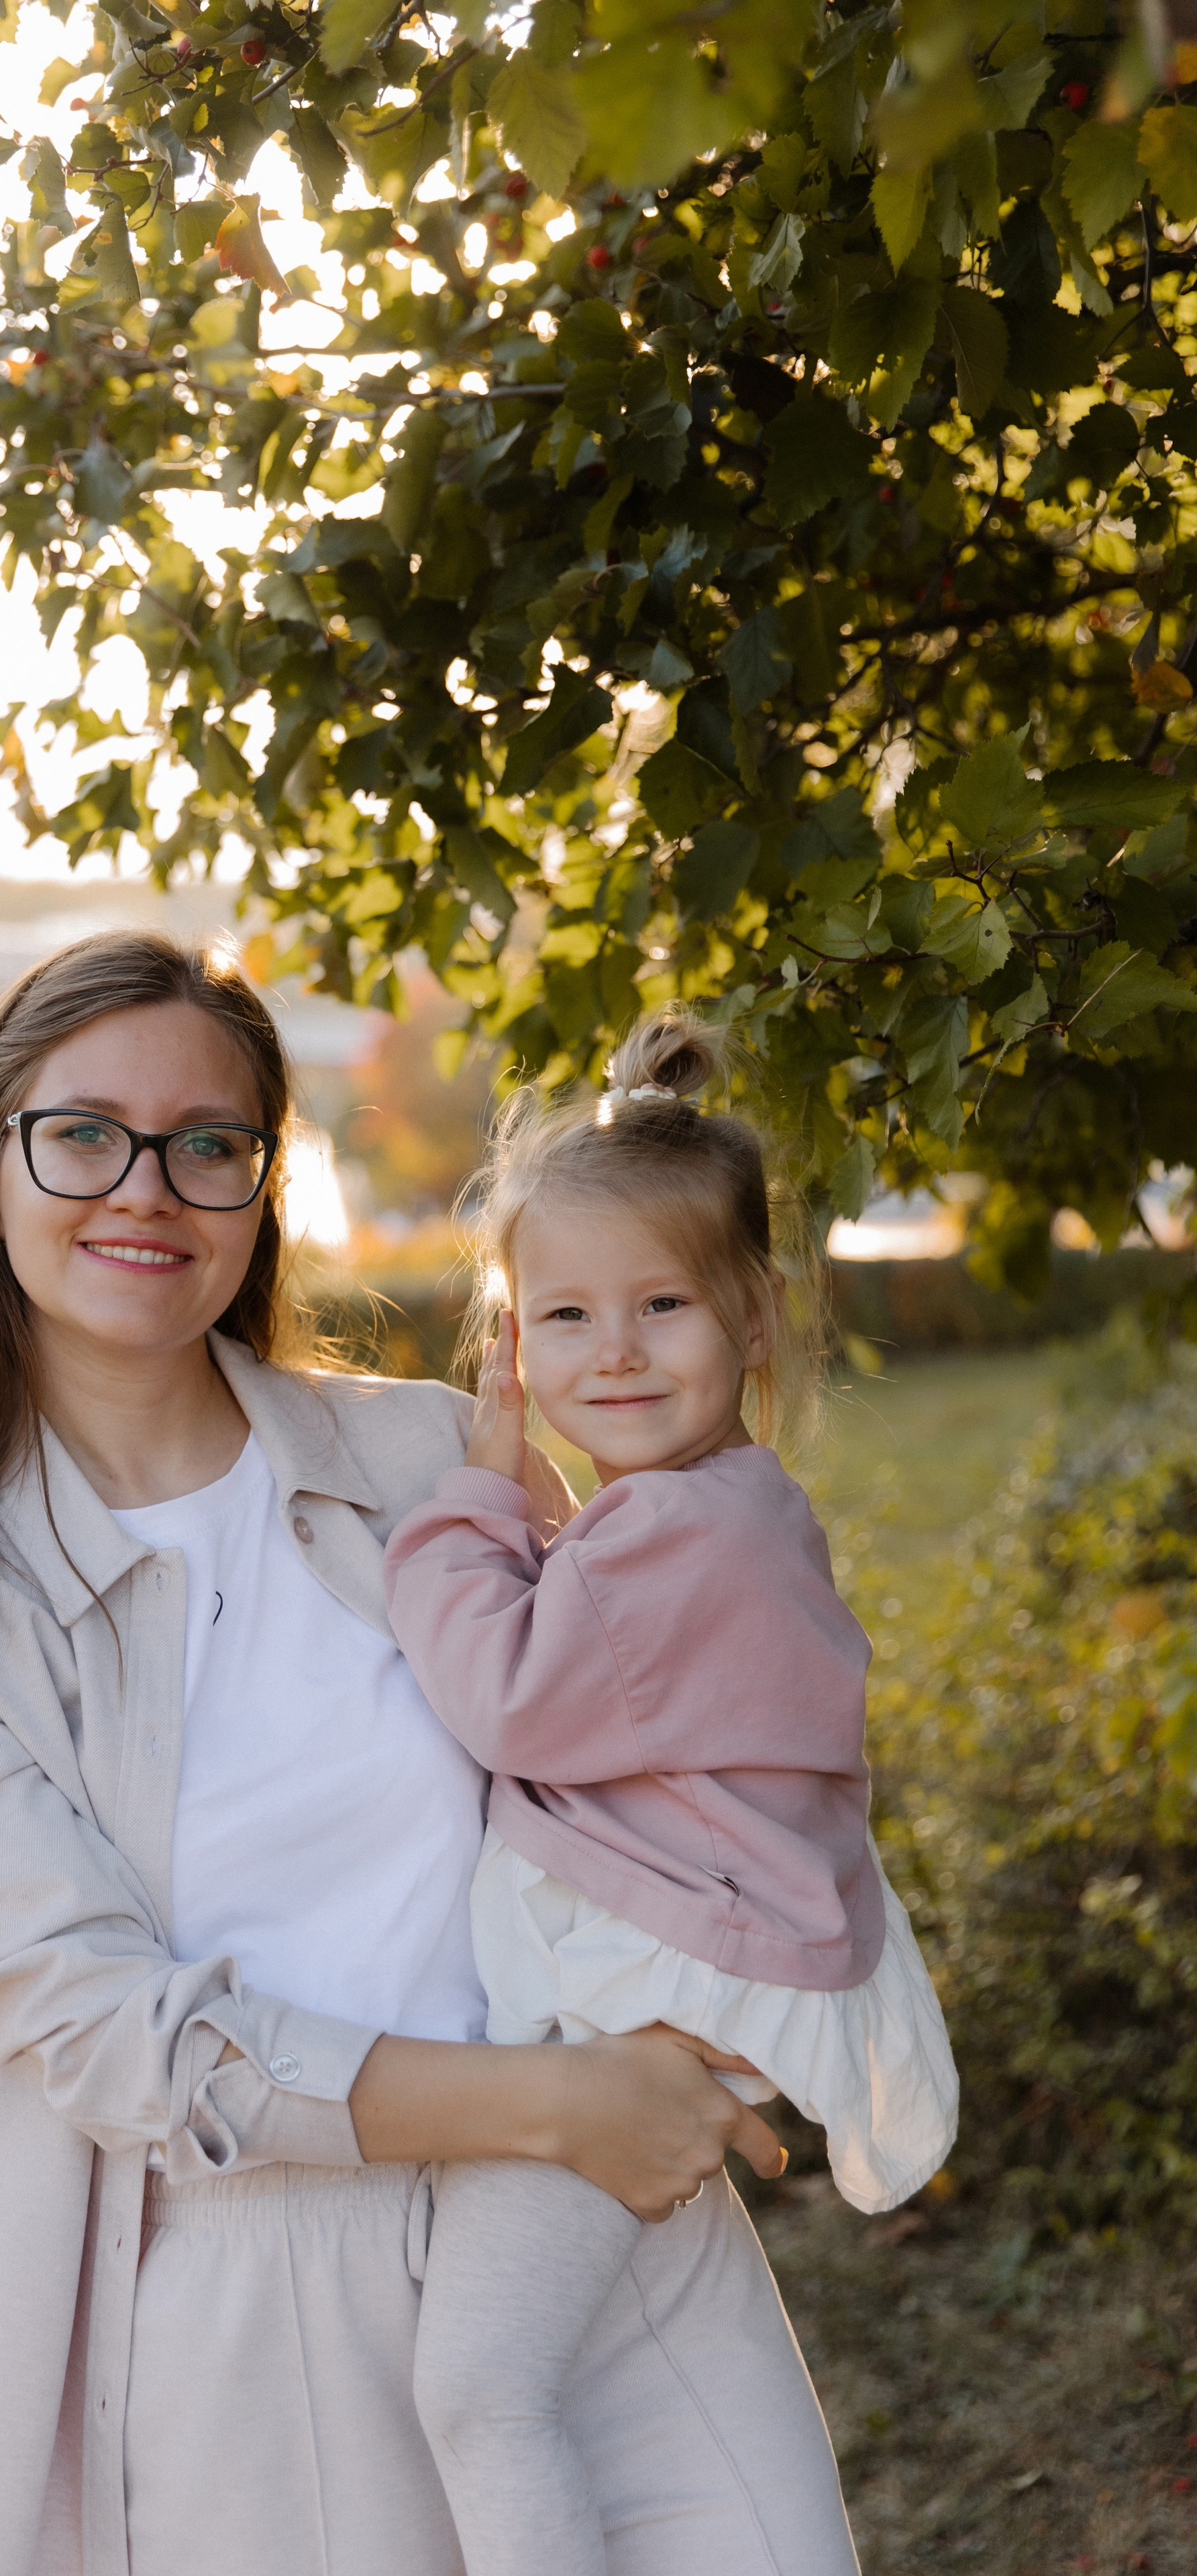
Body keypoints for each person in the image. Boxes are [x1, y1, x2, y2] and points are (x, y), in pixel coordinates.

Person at [0, 931, 862, 2576]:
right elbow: (95, 2020)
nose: (147, 1189)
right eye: (83, 1134)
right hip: (267, 2293)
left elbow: (671, 1736)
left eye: (210, 1146)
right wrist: (551, 2102)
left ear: (263, 1186)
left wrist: (719, 2023)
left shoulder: (425, 1457)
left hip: (596, 2233)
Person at [383, 1003, 959, 2576]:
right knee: (552, 2362)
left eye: (659, 1305)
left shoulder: (667, 1536)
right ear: (513, 1335)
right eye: (561, 1317)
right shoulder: (724, 1507)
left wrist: (466, 1514)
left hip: (639, 2017)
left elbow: (504, 1693)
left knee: (480, 2391)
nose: (612, 1350)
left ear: (753, 1317)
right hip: (696, 1973)